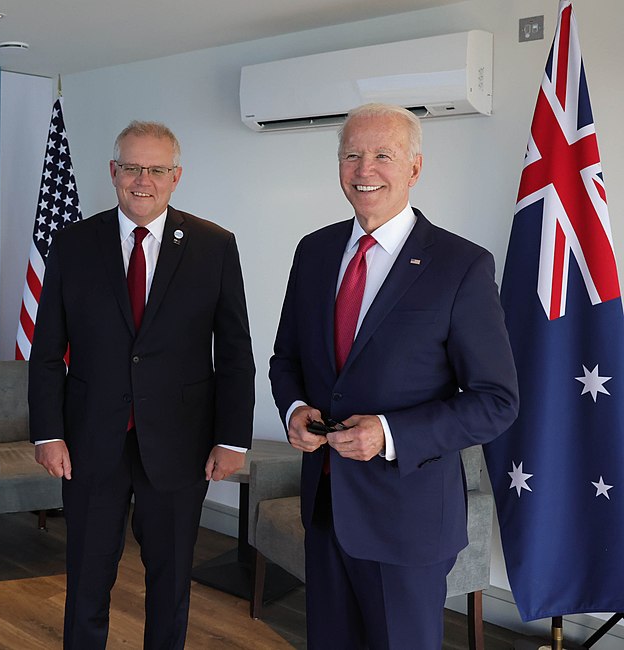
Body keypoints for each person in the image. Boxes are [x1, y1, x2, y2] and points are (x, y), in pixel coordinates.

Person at [269, 103, 519, 649]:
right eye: (352, 155)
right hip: (326, 508)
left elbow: (496, 400)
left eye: (383, 154)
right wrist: (293, 409)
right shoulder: (313, 252)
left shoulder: (461, 266)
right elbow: (285, 359)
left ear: (415, 167)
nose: (365, 169)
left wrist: (389, 433)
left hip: (407, 521)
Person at [29, 120, 256, 649]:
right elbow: (45, 352)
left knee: (171, 581)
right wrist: (48, 432)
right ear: (113, 171)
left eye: (156, 170)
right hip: (88, 443)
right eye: (131, 167)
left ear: (176, 177)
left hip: (181, 444)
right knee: (87, 578)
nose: (142, 180)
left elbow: (236, 350)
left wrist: (232, 438)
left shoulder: (214, 246)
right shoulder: (72, 243)